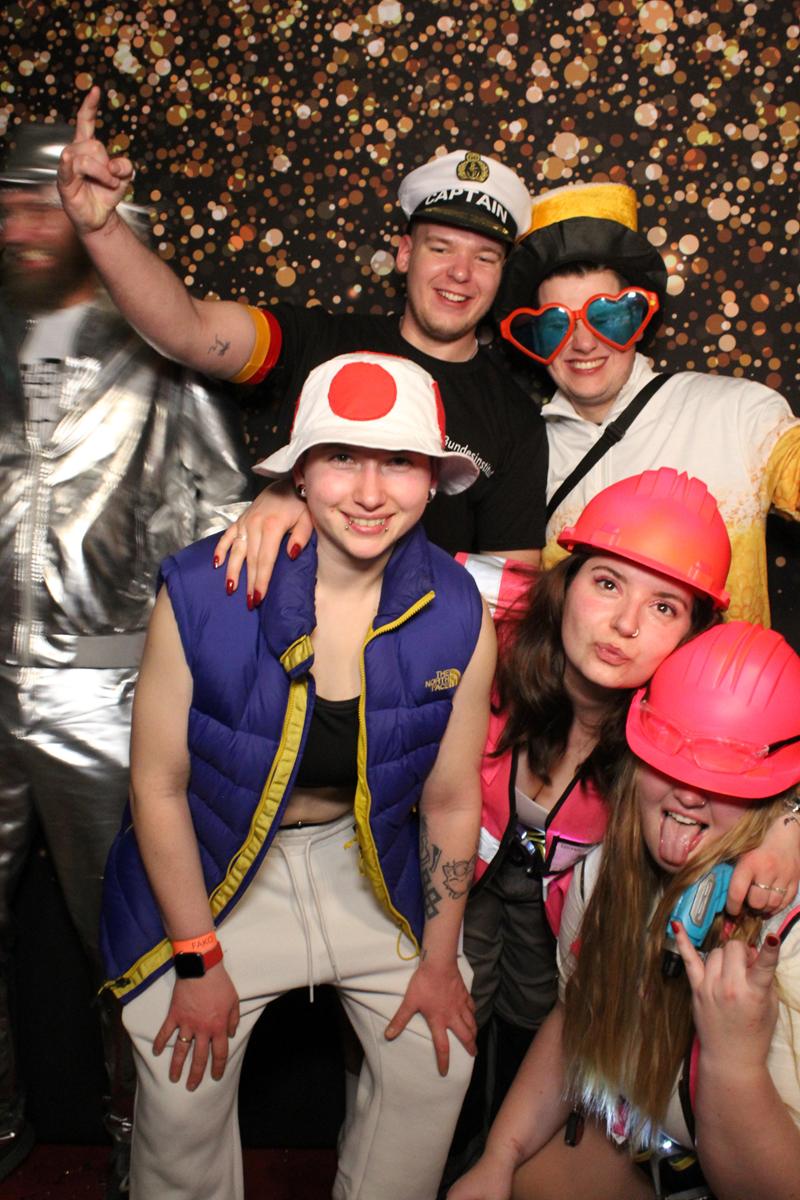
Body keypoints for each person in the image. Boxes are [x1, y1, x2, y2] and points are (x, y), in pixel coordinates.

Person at [99, 351, 497, 1200]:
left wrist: (440, 961)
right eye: (342, 457)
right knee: (183, 1084)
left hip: (365, 859)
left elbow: (451, 798)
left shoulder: (459, 610)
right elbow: (157, 789)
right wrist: (197, 960)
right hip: (214, 867)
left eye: (400, 461)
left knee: (438, 1057)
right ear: (301, 474)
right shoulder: (202, 590)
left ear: (432, 479)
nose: (370, 491)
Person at [0, 122, 252, 1193]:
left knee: (134, 934)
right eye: (6, 207)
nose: (22, 226)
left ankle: (138, 1144)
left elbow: (223, 516)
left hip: (106, 690)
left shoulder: (156, 343)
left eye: (42, 204)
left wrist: (175, 679)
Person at [442, 468, 800, 1191]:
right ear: (567, 583)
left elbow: (761, 729)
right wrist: (285, 507)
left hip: (567, 950)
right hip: (468, 897)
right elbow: (384, 557)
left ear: (693, 636)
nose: (626, 624)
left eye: (664, 606)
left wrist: (786, 821)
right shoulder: (495, 618)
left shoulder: (709, 705)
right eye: (607, 583)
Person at [57, 87, 548, 591]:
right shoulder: (319, 341)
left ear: (501, 273)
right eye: (440, 248)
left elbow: (510, 596)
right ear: (405, 254)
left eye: (485, 258)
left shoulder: (515, 421)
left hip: (421, 640)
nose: (461, 272)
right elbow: (189, 330)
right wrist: (101, 229)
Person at [496, 180, 800, 626]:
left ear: (637, 317)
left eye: (606, 317)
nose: (583, 344)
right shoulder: (523, 456)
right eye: (556, 325)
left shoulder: (738, 413)